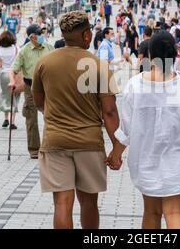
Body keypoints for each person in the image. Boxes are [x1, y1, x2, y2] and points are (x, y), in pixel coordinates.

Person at [110, 31, 180, 229]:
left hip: (145, 161)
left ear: (149, 55)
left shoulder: (135, 85)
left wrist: (115, 155)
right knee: (174, 213)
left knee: (151, 212)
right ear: (174, 54)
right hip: (178, 162)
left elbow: (126, 130)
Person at [32, 11, 120, 229]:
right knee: (89, 202)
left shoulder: (44, 63)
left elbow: (39, 102)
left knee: (62, 203)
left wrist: (57, 117)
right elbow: (109, 112)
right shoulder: (99, 65)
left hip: (54, 141)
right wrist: (117, 148)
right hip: (89, 142)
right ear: (87, 35)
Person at [9, 25, 54, 159]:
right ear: (31, 37)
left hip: (48, 86)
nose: (42, 35)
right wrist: (12, 81)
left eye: (42, 33)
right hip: (31, 87)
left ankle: (49, 146)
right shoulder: (24, 51)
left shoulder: (49, 47)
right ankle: (34, 149)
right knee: (31, 118)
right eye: (39, 34)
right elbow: (13, 69)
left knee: (51, 117)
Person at [0, 31, 20, 129]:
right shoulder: (16, 48)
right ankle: (12, 122)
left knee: (6, 95)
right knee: (15, 96)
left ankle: (6, 119)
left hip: (3, 74)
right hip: (14, 74)